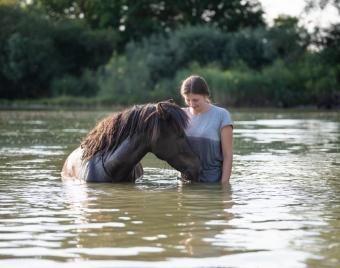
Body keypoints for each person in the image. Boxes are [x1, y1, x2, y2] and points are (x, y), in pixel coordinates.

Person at [179, 75, 233, 183]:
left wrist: (224, 186)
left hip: (212, 182)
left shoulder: (221, 115)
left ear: (205, 96)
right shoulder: (180, 114)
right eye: (188, 100)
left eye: (195, 100)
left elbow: (228, 154)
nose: (192, 104)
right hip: (185, 182)